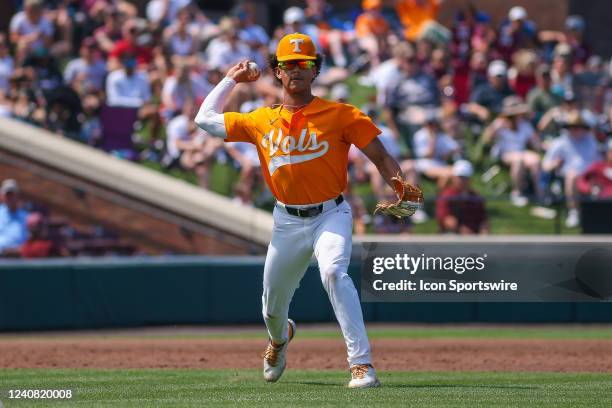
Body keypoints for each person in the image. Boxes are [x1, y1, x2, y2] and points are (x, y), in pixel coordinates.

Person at [194, 33, 412, 388]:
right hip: (286, 221)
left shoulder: (340, 114)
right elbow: (204, 119)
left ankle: (361, 365)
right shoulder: (260, 119)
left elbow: (381, 156)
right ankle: (279, 340)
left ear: (315, 71)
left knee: (333, 273)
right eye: (288, 64)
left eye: (304, 64)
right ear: (277, 72)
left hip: (331, 213)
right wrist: (232, 78)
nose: (296, 70)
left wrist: (403, 189)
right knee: (271, 308)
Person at [542, 111, 601, 228]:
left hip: (589, 176)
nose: (576, 130)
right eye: (573, 127)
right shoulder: (559, 143)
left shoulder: (591, 141)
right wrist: (556, 163)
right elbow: (545, 165)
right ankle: (574, 211)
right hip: (568, 177)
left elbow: (598, 161)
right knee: (572, 175)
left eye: (579, 127)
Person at [483, 96, 543, 207]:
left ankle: (539, 193)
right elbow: (487, 139)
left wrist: (539, 143)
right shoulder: (500, 123)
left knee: (535, 160)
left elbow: (536, 144)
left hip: (521, 152)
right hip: (504, 154)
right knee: (518, 160)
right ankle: (517, 193)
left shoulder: (524, 125)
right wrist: (495, 128)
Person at [436, 160, 489, 234]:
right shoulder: (446, 195)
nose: (462, 180)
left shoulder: (475, 196)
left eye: (465, 177)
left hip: (474, 238)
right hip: (452, 237)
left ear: (470, 179)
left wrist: (484, 236)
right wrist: (462, 231)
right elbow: (446, 219)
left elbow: (483, 219)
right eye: (460, 177)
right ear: (453, 177)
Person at [0, 179, 29, 256]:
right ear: (2, 196)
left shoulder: (26, 216)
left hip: (19, 259)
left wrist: (17, 250)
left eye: (12, 194)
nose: (10, 198)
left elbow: (29, 240)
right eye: (7, 195)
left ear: (17, 196)